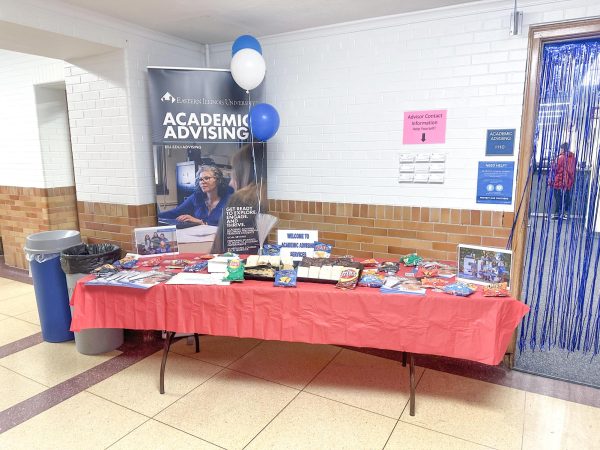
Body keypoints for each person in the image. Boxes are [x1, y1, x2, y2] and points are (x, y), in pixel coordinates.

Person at [211, 144, 267, 254]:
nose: (231, 183)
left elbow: (220, 253)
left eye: (234, 172)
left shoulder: (241, 200)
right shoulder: (279, 199)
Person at [158, 165, 234, 226]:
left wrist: (201, 222)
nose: (202, 182)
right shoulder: (197, 197)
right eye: (200, 179)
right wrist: (154, 218)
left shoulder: (230, 199)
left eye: (207, 178)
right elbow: (174, 213)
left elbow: (230, 227)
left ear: (218, 180)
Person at [549, 142, 576, 220]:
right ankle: (563, 213)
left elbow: (554, 168)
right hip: (568, 181)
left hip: (559, 180)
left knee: (558, 197)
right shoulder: (572, 158)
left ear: (563, 149)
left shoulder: (560, 158)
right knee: (566, 197)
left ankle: (559, 213)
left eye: (560, 149)